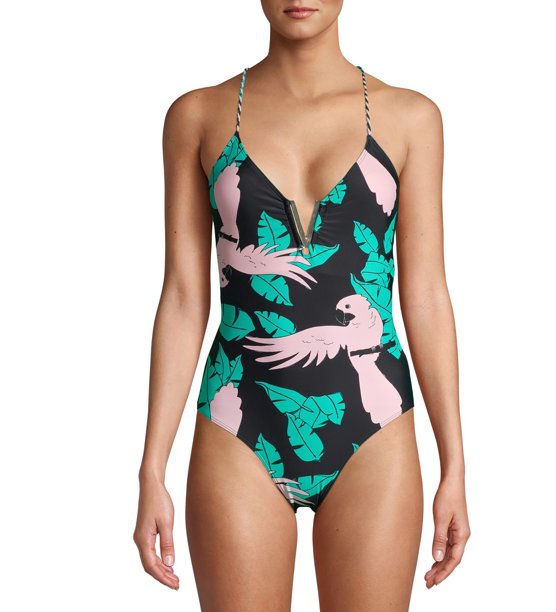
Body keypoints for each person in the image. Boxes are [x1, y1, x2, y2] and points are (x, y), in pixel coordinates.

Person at [133, 1, 470, 609]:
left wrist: (455, 466)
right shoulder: (199, 116)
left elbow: (425, 295)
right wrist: (151, 468)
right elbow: (183, 297)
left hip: (374, 426)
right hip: (238, 422)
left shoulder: (410, 117)